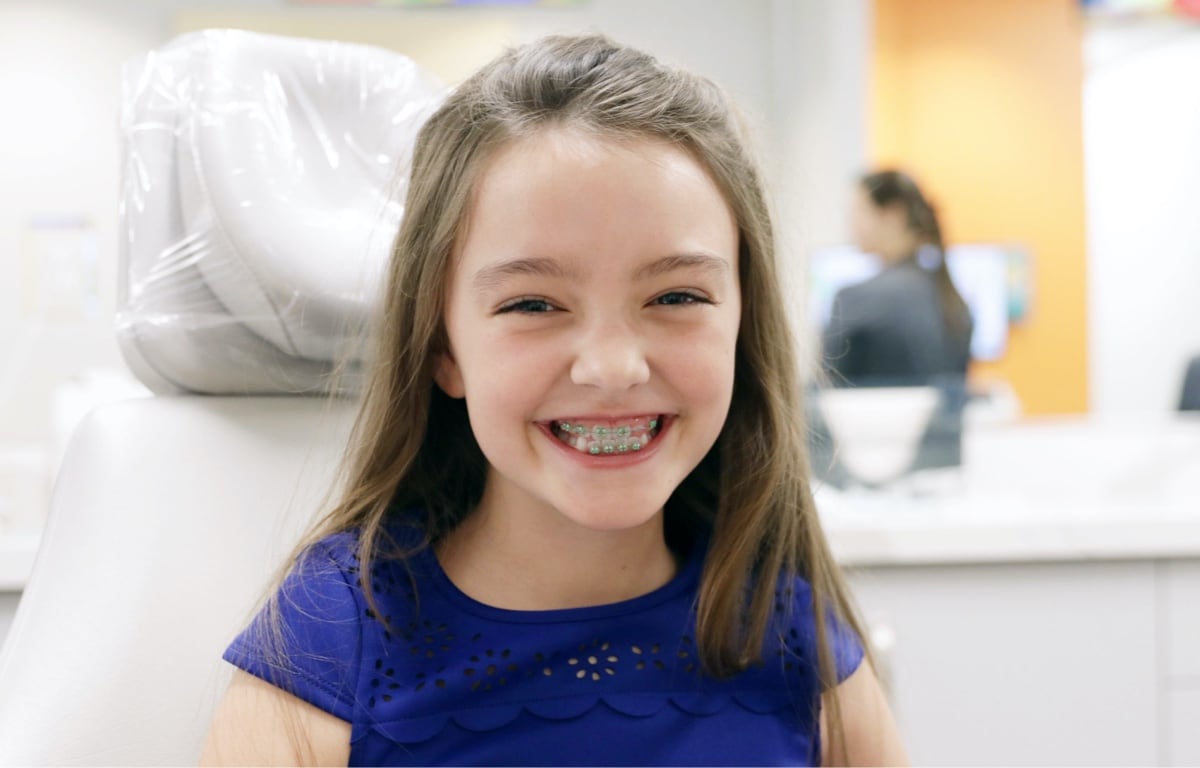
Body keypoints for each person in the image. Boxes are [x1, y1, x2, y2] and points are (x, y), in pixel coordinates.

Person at [201, 34, 906, 766]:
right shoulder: (332, 640)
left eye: (676, 295)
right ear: (445, 348)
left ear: (741, 324)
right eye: (533, 303)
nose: (612, 368)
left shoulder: (794, 639)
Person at [822, 170, 973, 388]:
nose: (852, 224)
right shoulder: (952, 298)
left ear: (893, 215)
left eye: (859, 211)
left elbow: (827, 393)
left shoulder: (853, 299)